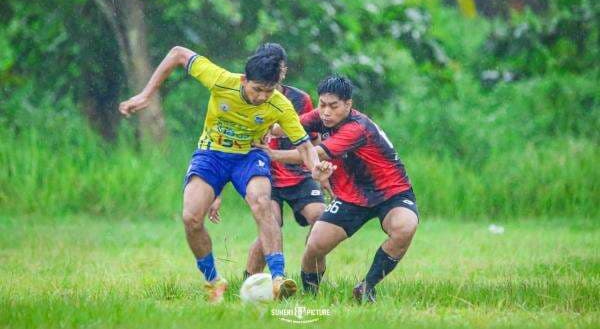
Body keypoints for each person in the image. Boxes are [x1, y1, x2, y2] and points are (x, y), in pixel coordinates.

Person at [118, 46, 334, 303]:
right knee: (191, 218)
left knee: (262, 202)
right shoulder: (221, 80)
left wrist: (315, 169)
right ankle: (213, 280)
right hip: (211, 155)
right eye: (257, 89)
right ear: (244, 79)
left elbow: (305, 146)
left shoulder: (280, 105)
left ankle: (278, 279)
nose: (262, 97)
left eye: (269, 90)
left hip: (249, 157)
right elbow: (177, 53)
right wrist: (146, 95)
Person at [259, 75, 419, 303]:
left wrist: (272, 154)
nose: (326, 112)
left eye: (333, 106)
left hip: (391, 193)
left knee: (405, 227)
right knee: (314, 247)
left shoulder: (357, 128)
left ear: (348, 105)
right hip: (351, 198)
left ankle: (367, 287)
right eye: (322, 104)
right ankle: (311, 297)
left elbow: (316, 153)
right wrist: (263, 129)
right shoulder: (320, 116)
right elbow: (287, 127)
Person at [206, 43, 327, 278]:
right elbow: (220, 147)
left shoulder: (299, 100)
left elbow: (311, 143)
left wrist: (320, 173)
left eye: (278, 67)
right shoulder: (239, 97)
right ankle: (250, 282)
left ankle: (310, 280)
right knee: (271, 223)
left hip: (298, 174)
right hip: (264, 174)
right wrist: (216, 191)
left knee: (321, 218)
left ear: (283, 70)